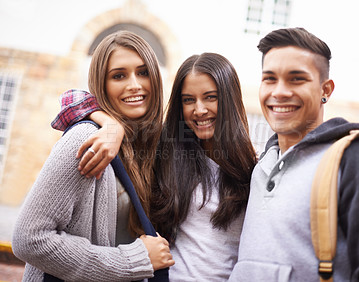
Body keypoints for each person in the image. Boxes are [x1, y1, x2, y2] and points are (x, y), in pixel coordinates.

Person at [50, 52, 257, 281]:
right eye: (188, 100)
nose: (199, 110)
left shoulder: (255, 168)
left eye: (210, 97)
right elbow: (71, 100)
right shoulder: (167, 151)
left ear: (229, 98)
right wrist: (111, 125)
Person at [228, 27, 359, 281]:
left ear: (326, 90)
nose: (279, 92)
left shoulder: (357, 158)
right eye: (270, 78)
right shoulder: (262, 164)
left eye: (296, 79)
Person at [12, 30, 174, 281]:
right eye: (118, 75)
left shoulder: (149, 147)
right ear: (102, 84)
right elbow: (29, 239)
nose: (134, 84)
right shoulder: (88, 139)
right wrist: (134, 260)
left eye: (143, 72)